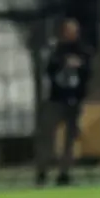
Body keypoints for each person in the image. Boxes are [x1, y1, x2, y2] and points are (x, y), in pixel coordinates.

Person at [36, 18, 92, 187]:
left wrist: (80, 66)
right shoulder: (56, 49)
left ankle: (64, 172)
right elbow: (49, 69)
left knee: (69, 139)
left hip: (74, 101)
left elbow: (88, 73)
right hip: (56, 99)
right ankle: (42, 171)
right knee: (47, 136)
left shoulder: (83, 50)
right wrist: (63, 62)